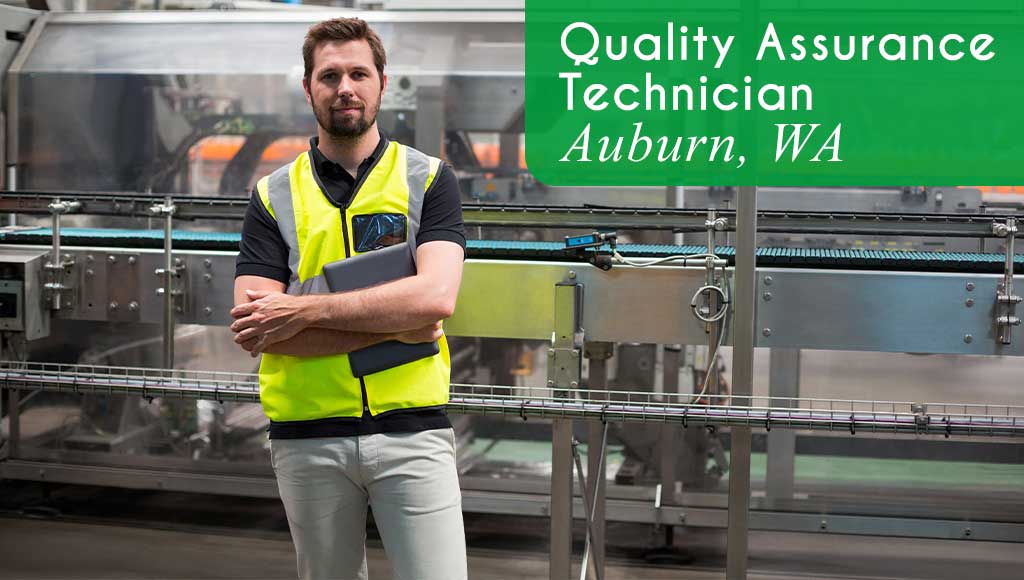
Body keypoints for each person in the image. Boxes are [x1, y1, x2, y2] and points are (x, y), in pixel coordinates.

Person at [230, 17, 467, 580]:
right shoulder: (272, 195)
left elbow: (434, 299)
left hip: (413, 432)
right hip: (308, 437)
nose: (345, 87)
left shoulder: (428, 179)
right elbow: (255, 330)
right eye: (329, 75)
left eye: (358, 73)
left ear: (382, 83)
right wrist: (396, 322)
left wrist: (302, 311)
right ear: (309, 87)